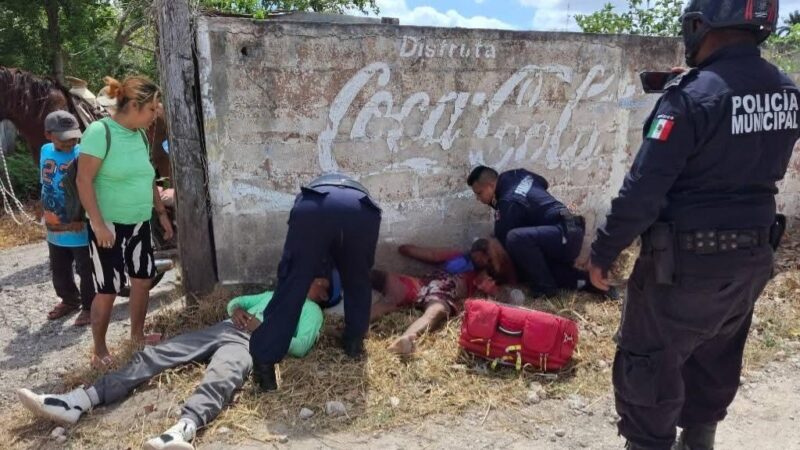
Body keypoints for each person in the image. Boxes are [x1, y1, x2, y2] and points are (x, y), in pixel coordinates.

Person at [586, 1, 799, 449]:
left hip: (684, 266)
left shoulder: (692, 96)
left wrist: (604, 252)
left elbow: (642, 190)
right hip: (752, 261)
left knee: (649, 366)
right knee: (715, 356)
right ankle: (699, 441)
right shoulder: (786, 90)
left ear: (704, 25)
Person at [16, 278, 330, 450]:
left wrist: (264, 332)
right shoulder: (275, 293)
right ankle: (80, 400)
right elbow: (238, 303)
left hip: (251, 343)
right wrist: (235, 310)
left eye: (315, 278)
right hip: (225, 327)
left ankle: (182, 431)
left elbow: (301, 347)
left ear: (323, 290)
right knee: (159, 353)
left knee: (223, 375)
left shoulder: (312, 312)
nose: (307, 278)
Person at [249, 173, 381, 392]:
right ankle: (354, 343)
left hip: (315, 205)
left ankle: (264, 366)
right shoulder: (332, 276)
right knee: (358, 281)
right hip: (362, 207)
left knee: (292, 284)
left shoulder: (311, 199)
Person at [76, 76, 173, 369]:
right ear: (134, 105)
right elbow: (84, 180)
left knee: (142, 279)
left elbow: (147, 178)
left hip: (138, 223)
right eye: (152, 109)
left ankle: (137, 336)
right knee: (108, 288)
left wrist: (161, 215)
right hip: (109, 227)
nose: (156, 115)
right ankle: (99, 350)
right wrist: (98, 224)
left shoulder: (140, 135)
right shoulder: (99, 132)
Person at [467, 165, 614, 298]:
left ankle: (545, 288)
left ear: (491, 185)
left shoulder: (507, 202)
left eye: (479, 193)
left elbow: (502, 249)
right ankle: (597, 285)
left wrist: (500, 276)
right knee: (545, 270)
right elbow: (543, 182)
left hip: (563, 234)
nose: (478, 198)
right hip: (570, 230)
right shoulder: (517, 174)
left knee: (515, 239)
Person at [39, 111, 95, 326]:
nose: (70, 142)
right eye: (64, 138)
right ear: (48, 135)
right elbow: (45, 183)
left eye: (73, 137)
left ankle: (90, 306)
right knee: (59, 267)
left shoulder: (82, 154)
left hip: (78, 225)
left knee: (85, 268)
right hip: (54, 224)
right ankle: (69, 299)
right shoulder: (45, 150)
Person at [371, 266, 498, 355]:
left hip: (435, 292)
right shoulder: (465, 266)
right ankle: (356, 325)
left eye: (490, 282)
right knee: (378, 280)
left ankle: (405, 339)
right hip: (426, 285)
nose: (483, 284)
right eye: (486, 278)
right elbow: (411, 251)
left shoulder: (484, 295)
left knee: (433, 312)